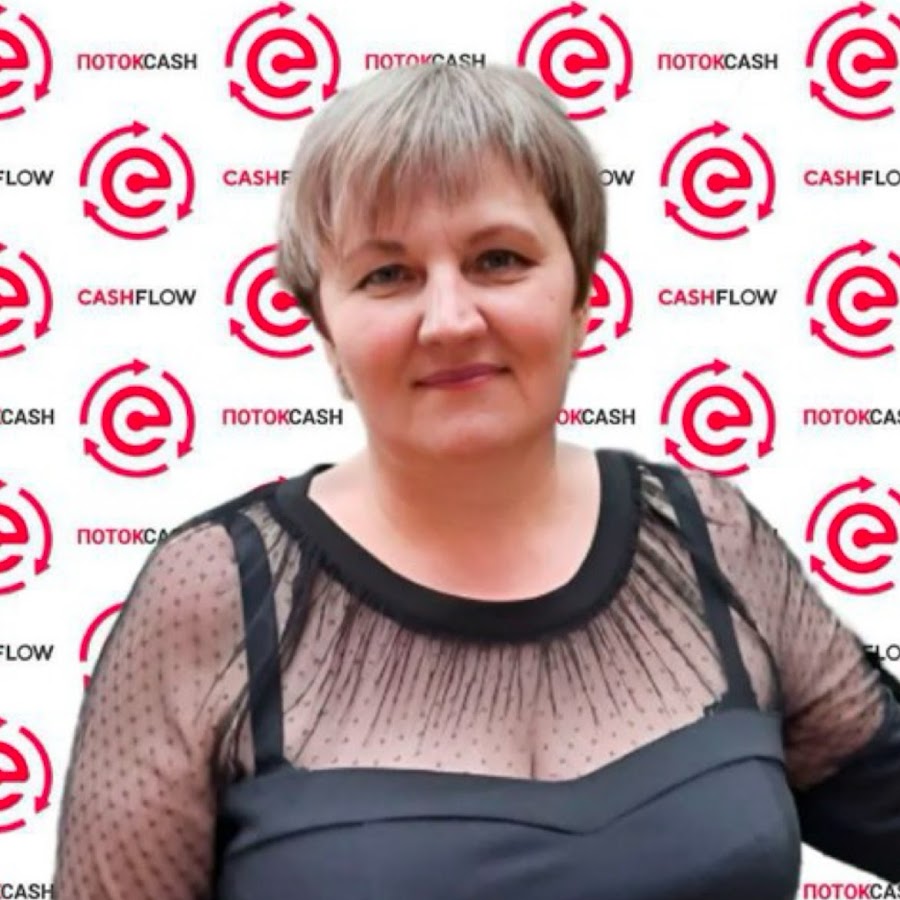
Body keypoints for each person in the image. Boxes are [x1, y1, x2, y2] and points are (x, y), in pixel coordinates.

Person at [54, 63, 900, 900]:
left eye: (498, 259)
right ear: (324, 328)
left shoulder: (705, 534)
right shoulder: (215, 593)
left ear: (582, 295)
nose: (451, 320)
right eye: (387, 275)